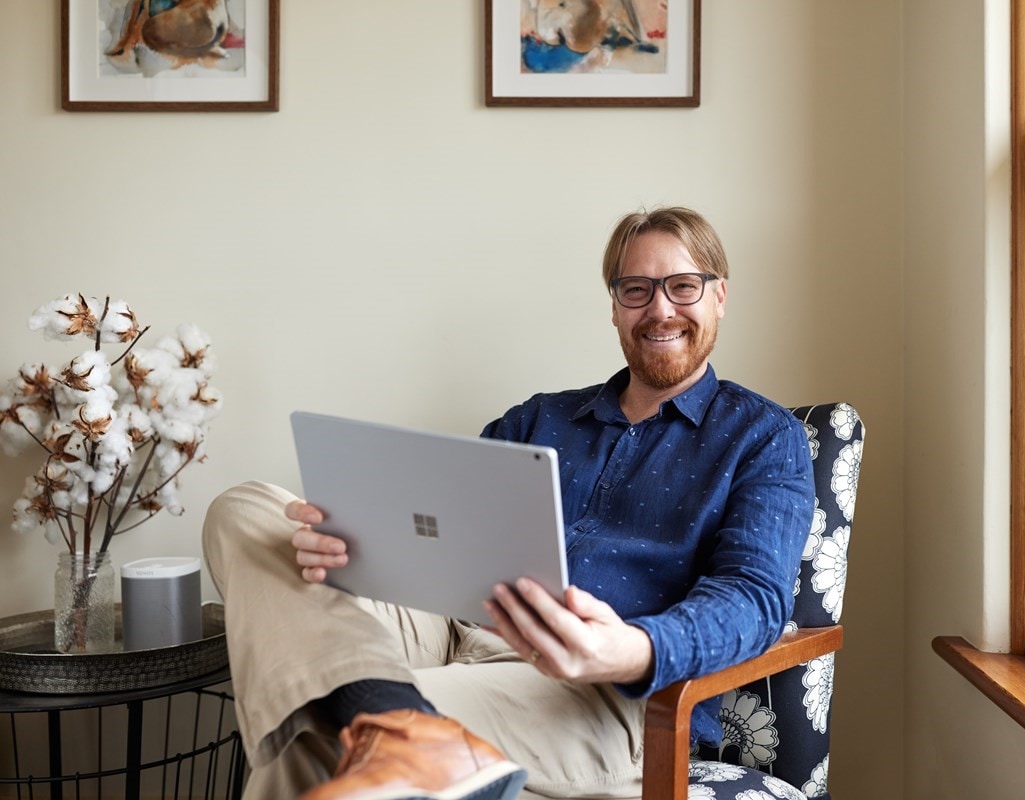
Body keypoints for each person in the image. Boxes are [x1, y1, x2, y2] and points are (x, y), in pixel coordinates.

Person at [202, 206, 815, 800]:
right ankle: (394, 721)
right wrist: (349, 541)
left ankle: (386, 718)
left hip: (596, 692)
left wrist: (630, 650)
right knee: (249, 511)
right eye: (637, 289)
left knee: (317, 728)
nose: (660, 308)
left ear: (719, 297)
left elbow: (753, 598)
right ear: (614, 305)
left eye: (683, 287)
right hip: (452, 630)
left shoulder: (764, 436)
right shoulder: (538, 418)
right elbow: (433, 530)